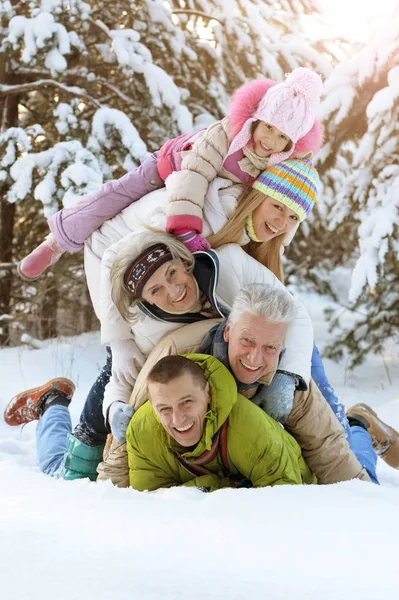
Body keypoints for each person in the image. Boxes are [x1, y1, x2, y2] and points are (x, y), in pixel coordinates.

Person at [19, 67, 323, 279]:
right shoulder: (224, 134)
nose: (270, 141)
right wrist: (186, 228)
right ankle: (56, 242)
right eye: (268, 127)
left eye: (282, 137)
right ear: (256, 119)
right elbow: (193, 177)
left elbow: (289, 198)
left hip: (209, 182)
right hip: (173, 164)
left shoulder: (277, 163)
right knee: (116, 195)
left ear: (291, 143)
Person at [97, 284, 399, 487]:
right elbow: (132, 438)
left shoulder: (288, 379)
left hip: (265, 469)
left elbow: (327, 451)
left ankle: (358, 426)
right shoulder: (177, 357)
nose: (255, 359)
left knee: (361, 477)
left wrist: (363, 506)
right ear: (228, 331)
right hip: (210, 471)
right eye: (247, 341)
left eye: (270, 348)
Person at [126, 354, 316, 491]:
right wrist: (218, 486)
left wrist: (200, 493)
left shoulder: (250, 428)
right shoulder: (142, 433)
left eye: (187, 402)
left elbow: (286, 499)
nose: (177, 419)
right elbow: (152, 507)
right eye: (164, 409)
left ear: (207, 393)